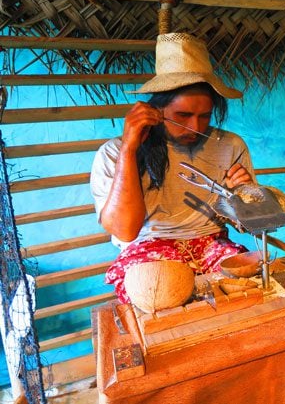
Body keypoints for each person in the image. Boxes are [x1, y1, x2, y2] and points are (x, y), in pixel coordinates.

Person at [90, 33, 254, 304]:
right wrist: (130, 149)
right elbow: (125, 231)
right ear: (156, 110)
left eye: (204, 116)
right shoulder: (113, 152)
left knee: (247, 288)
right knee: (160, 296)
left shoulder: (230, 145)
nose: (196, 127)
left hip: (212, 242)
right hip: (149, 248)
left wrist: (244, 196)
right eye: (183, 116)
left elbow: (248, 226)